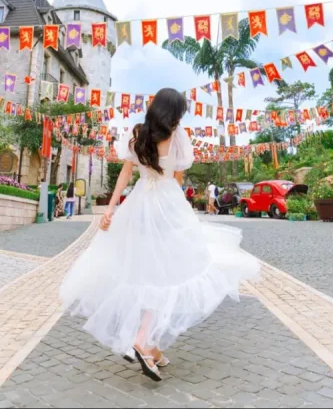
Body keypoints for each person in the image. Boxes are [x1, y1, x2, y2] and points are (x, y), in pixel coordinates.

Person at [59, 88, 260, 382]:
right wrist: (180, 212)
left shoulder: (136, 133)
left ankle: (152, 348)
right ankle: (142, 341)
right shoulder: (177, 136)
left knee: (146, 271)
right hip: (167, 204)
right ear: (174, 112)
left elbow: (126, 174)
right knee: (166, 273)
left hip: (139, 205)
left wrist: (111, 208)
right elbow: (177, 177)